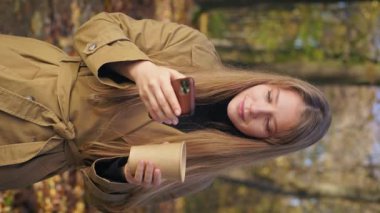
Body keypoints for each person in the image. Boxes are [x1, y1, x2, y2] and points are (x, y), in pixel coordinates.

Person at [0, 12, 331, 211]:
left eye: (268, 123)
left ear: (267, 142)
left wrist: (124, 177)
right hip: (22, 74)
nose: (255, 108)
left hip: (25, 153)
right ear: (268, 81)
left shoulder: (198, 170)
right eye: (269, 96)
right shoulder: (194, 49)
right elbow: (98, 26)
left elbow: (105, 202)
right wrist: (140, 69)